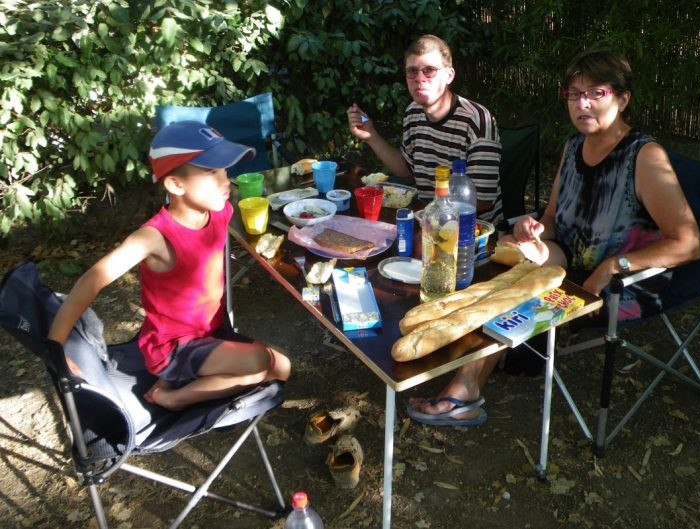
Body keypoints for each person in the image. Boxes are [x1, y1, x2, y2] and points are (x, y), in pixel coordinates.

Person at [408, 49, 700, 423]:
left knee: (517, 292)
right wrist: (532, 229)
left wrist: (615, 265)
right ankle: (464, 382)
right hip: (570, 264)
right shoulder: (574, 146)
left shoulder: (644, 156)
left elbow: (688, 243)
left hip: (621, 284)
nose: (582, 104)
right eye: (574, 94)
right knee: (503, 265)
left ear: (623, 98)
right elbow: (551, 219)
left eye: (596, 93)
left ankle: (462, 392)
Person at [47, 121, 291, 411]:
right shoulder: (154, 237)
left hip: (210, 332)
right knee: (259, 362)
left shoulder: (219, 211)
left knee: (284, 367)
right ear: (175, 184)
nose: (226, 181)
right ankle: (172, 397)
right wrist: (56, 345)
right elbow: (92, 279)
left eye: (226, 171)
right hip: (173, 348)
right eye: (212, 172)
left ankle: (180, 382)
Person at [347, 34, 503, 223]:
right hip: (427, 221)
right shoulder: (413, 112)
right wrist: (371, 135)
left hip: (472, 233)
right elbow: (405, 170)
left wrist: (431, 215)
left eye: (429, 70)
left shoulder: (477, 121)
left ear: (449, 75)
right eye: (412, 71)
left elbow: (482, 201)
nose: (419, 78)